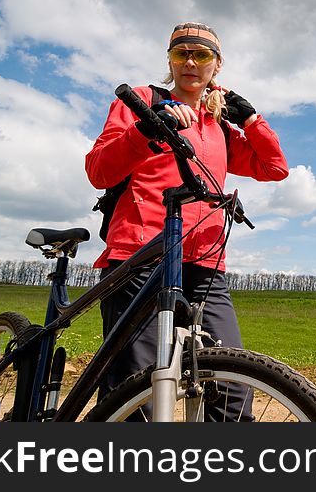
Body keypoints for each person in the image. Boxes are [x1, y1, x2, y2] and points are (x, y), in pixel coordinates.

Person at [85, 21, 289, 420]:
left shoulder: (221, 129)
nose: (191, 63)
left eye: (202, 55)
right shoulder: (143, 100)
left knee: (232, 384)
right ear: (170, 60)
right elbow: (99, 171)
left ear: (217, 66)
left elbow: (274, 167)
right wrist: (146, 128)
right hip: (141, 255)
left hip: (206, 262)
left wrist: (249, 119)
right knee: (135, 386)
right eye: (181, 54)